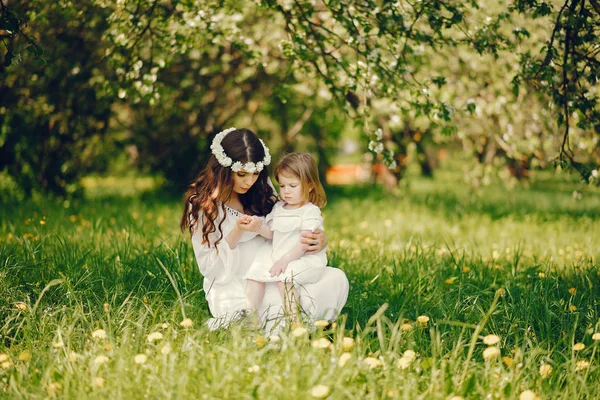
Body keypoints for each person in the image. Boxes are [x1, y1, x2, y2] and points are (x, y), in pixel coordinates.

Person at [180, 128, 348, 330]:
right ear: (223, 170)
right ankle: (271, 322)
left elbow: (285, 226)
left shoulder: (260, 189)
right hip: (236, 286)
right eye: (241, 174)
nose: (249, 181)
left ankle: (288, 323)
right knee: (272, 308)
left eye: (255, 173)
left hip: (274, 275)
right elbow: (210, 268)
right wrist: (237, 232)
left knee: (335, 279)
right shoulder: (202, 205)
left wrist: (320, 241)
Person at [244, 153, 328, 324]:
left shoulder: (310, 211)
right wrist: (259, 227)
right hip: (278, 254)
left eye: (292, 185)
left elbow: (304, 244)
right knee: (254, 275)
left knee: (286, 281)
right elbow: (273, 234)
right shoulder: (279, 207)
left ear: (310, 186)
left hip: (301, 257)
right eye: (282, 185)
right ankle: (250, 318)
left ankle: (294, 322)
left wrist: (284, 261)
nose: (286, 191)